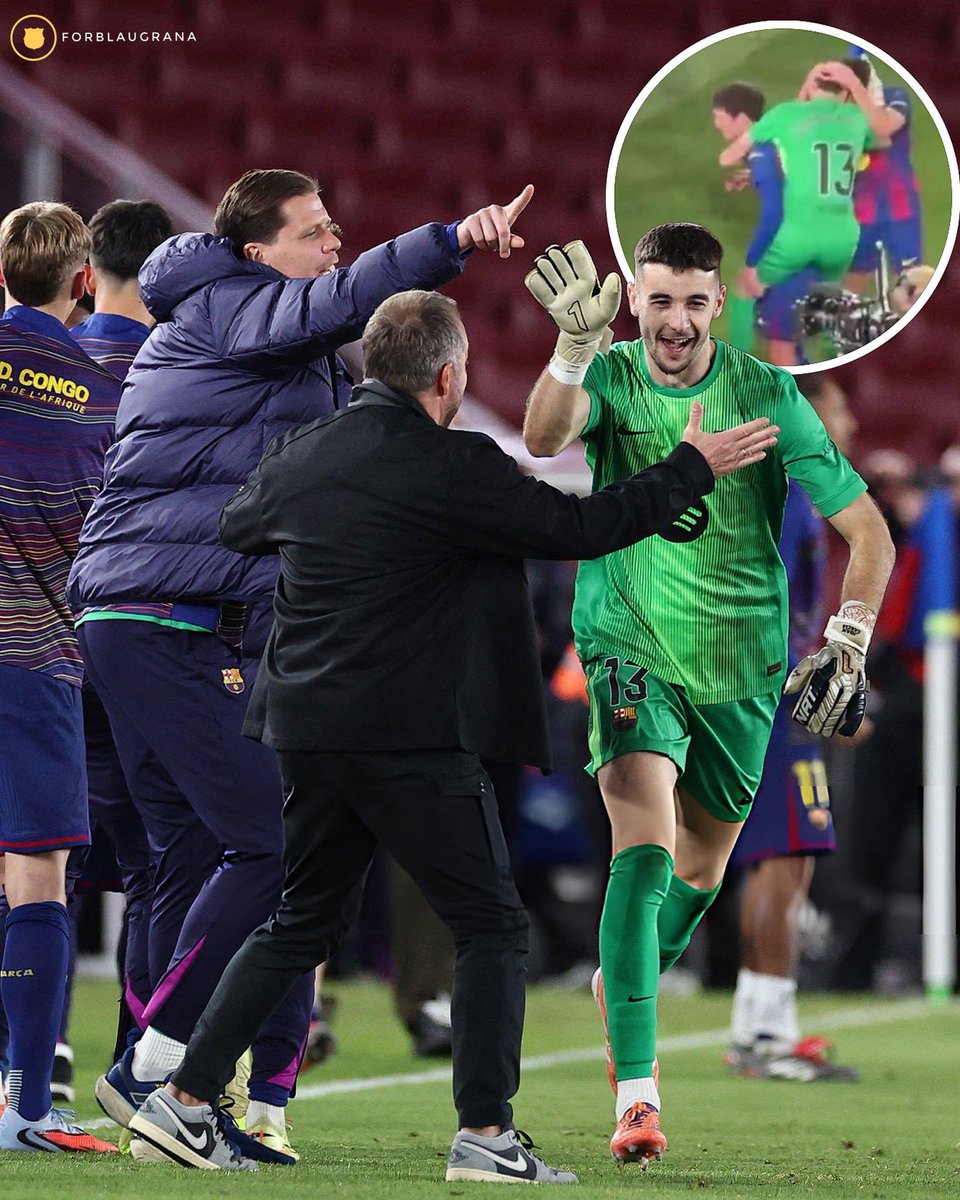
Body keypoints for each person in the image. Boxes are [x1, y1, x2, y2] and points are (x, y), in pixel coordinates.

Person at [127, 287, 777, 1177]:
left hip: (304, 729)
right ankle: (486, 1136)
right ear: (446, 376)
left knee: (298, 920)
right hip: (408, 732)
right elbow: (584, 526)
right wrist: (690, 467)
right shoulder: (458, 466)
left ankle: (186, 1101)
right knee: (491, 926)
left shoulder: (305, 452)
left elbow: (242, 522)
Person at [67, 169, 535, 1163]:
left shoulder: (282, 348)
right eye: (314, 231)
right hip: (161, 616)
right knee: (267, 853)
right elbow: (343, 299)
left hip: (170, 614)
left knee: (189, 859)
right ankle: (153, 1069)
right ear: (255, 252)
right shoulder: (231, 306)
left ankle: (177, 1085)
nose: (333, 244)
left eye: (336, 228)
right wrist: (447, 237)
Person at [522, 224, 895, 1165]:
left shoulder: (771, 398)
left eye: (694, 301)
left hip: (741, 665)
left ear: (716, 304)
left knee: (702, 868)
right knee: (642, 849)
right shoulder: (606, 374)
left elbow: (869, 534)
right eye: (659, 299)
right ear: (635, 299)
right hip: (625, 644)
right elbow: (541, 436)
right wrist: (570, 349)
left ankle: (623, 978)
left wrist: (848, 638)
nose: (676, 320)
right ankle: (638, 1098)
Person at [0, 201, 119, 1153]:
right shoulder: (97, 390)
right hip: (37, 658)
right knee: (36, 873)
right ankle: (29, 1107)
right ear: (82, 280)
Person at [727, 372, 862, 1081]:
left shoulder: (792, 493)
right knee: (786, 858)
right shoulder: (786, 495)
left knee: (777, 857)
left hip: (772, 701)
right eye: (840, 411)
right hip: (775, 704)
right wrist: (806, 688)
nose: (853, 428)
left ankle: (754, 1023)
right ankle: (772, 1035)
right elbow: (763, 603)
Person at [718, 58, 878, 364]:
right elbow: (875, 132)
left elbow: (730, 156)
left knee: (746, 288)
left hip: (800, 233)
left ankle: (736, 363)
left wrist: (802, 95)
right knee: (829, 297)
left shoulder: (786, 115)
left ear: (811, 84)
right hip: (844, 236)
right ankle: (837, 359)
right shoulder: (856, 120)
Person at [711, 82, 817, 366]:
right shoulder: (769, 146)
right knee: (779, 327)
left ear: (741, 118)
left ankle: (735, 368)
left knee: (750, 295)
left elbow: (774, 213)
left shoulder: (761, 152)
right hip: (811, 237)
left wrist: (754, 260)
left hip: (793, 242)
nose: (717, 126)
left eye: (720, 117)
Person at [831, 48, 924, 291]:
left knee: (912, 286)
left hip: (900, 211)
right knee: (852, 285)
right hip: (860, 212)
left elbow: (883, 129)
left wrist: (862, 94)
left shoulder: (895, 97)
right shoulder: (838, 115)